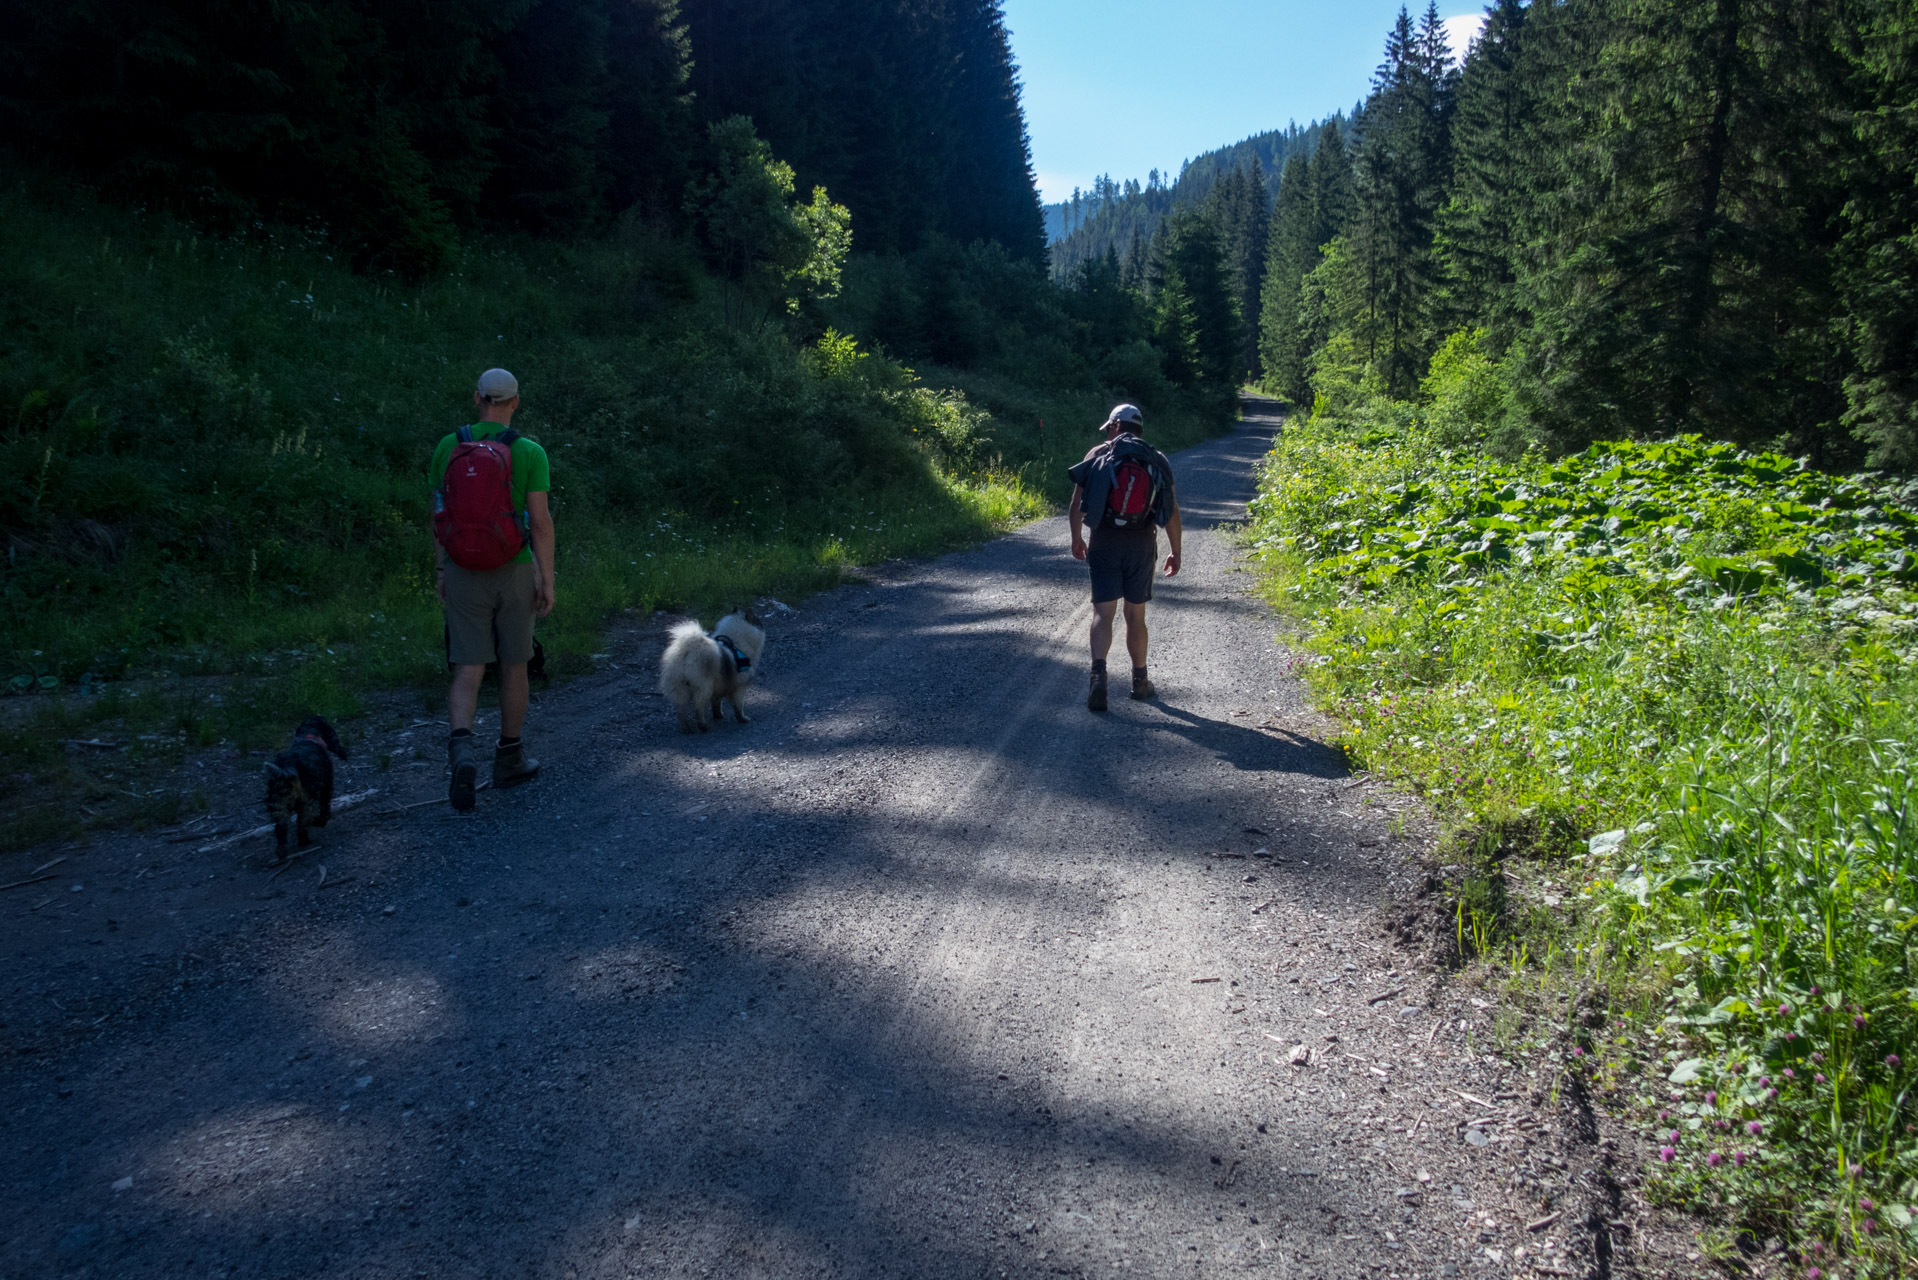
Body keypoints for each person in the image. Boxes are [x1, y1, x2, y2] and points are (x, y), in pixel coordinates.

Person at [429, 368, 555, 811]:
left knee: (468, 668)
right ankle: (509, 759)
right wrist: (546, 576)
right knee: (514, 665)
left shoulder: (449, 446)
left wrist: (443, 569)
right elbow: (539, 521)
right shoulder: (529, 451)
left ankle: (462, 753)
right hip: (514, 568)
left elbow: (439, 514)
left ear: (477, 398)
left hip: (464, 569)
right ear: (515, 402)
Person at [1067, 403, 1181, 712]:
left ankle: (1098, 679)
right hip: (1142, 544)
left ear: (1117, 425)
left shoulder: (1098, 454)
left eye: (1110, 426)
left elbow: (1077, 502)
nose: (1108, 431)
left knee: (1103, 614)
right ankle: (1139, 682)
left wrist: (1077, 537)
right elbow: (1170, 511)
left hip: (1104, 541)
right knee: (1135, 615)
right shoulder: (1157, 460)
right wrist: (1175, 550)